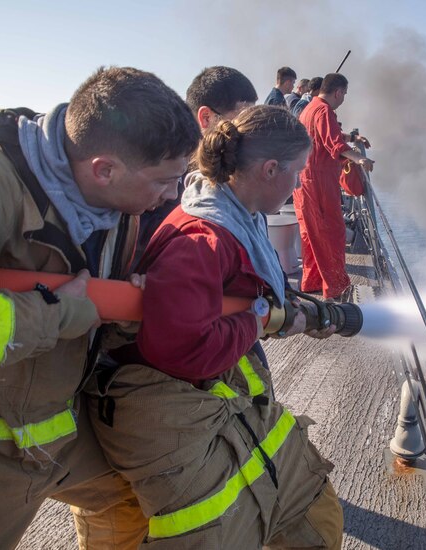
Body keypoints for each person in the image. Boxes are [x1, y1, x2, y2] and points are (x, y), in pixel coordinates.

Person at [0, 66, 201, 549]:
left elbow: (92, 305)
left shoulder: (118, 202)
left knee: (134, 499)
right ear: (105, 168)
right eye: (166, 181)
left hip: (50, 429)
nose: (173, 195)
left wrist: (126, 312)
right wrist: (60, 315)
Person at [85, 105, 343, 548]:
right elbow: (183, 350)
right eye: (296, 172)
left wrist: (279, 310)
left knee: (315, 511)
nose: (299, 182)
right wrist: (257, 320)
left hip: (210, 388)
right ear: (268, 170)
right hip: (170, 402)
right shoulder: (202, 241)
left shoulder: (236, 218)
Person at [135, 65, 258, 267]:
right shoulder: (159, 158)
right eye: (239, 121)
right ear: (206, 117)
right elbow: (138, 234)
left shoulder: (229, 159)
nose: (247, 133)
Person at [294, 73, 373, 301]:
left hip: (304, 180)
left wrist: (353, 137)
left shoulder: (310, 108)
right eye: (344, 94)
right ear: (337, 92)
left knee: (311, 233)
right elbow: (334, 143)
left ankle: (312, 282)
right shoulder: (324, 111)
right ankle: (336, 287)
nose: (343, 99)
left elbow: (327, 134)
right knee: (331, 233)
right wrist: (359, 159)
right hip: (318, 182)